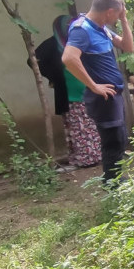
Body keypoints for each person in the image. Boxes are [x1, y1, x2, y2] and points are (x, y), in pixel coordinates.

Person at [61, 0, 134, 185]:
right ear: (109, 12)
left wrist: (125, 21)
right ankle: (113, 185)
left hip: (113, 96)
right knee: (113, 141)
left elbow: (128, 47)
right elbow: (68, 58)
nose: (118, 17)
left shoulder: (102, 28)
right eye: (118, 14)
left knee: (119, 139)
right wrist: (93, 86)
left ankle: (117, 180)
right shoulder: (82, 29)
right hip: (104, 98)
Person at [34, 15, 101, 168]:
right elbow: (33, 60)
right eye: (67, 25)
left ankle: (94, 156)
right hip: (69, 93)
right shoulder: (52, 44)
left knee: (90, 125)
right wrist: (53, 76)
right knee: (77, 127)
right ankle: (83, 159)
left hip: (87, 88)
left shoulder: (76, 40)